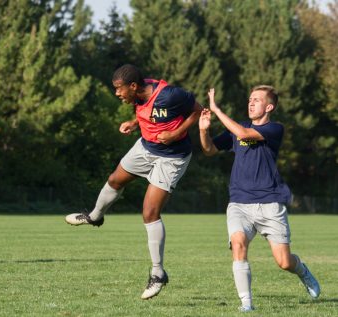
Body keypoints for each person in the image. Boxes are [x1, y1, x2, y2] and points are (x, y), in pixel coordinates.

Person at [65, 64, 203, 299]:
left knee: (149, 212)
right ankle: (95, 216)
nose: (117, 94)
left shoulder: (170, 95)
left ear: (133, 86)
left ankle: (158, 273)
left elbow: (199, 111)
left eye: (119, 89)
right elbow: (150, 113)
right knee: (115, 180)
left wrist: (175, 133)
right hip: (146, 146)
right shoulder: (138, 95)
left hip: (172, 157)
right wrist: (134, 123)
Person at [199, 86, 320, 312]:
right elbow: (210, 150)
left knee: (284, 262)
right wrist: (204, 131)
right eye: (250, 99)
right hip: (239, 202)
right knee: (238, 244)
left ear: (269, 106)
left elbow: (244, 136)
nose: (251, 103)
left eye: (257, 100)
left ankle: (302, 271)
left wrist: (216, 109)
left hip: (270, 203)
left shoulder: (275, 128)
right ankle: (247, 304)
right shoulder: (239, 127)